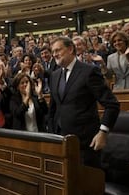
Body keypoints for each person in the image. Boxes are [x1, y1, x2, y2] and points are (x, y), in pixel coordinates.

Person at [48, 36, 120, 168]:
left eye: (58, 50)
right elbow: (54, 108)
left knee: (87, 185)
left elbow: (112, 104)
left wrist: (103, 132)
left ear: (70, 49)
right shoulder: (54, 75)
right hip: (61, 141)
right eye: (53, 52)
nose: (55, 54)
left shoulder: (88, 71)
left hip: (85, 143)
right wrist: (52, 132)